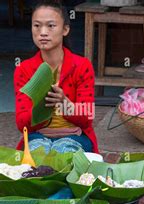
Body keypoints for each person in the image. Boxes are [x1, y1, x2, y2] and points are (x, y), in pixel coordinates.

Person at [14, 0, 98, 154]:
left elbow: (87, 119)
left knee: (63, 151)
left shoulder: (82, 66)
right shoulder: (24, 70)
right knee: (39, 153)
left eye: (51, 26)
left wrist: (64, 103)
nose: (43, 32)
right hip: (38, 136)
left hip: (75, 136)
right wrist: (41, 108)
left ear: (65, 29)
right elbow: (22, 125)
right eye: (37, 25)